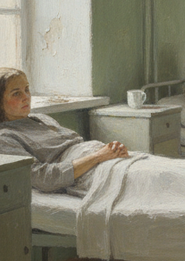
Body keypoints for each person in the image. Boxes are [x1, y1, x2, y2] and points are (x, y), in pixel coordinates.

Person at [0, 67, 129, 196]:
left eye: (27, 89)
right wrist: (98, 156)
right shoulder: (5, 138)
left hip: (100, 158)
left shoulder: (41, 119)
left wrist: (113, 151)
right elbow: (42, 178)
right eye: (16, 93)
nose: (26, 97)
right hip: (85, 172)